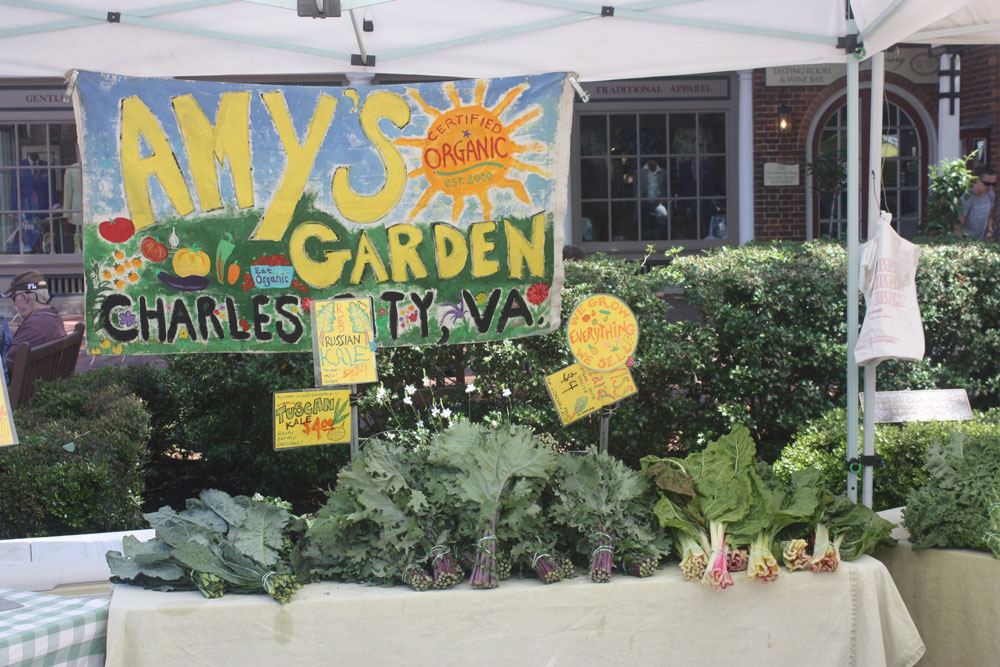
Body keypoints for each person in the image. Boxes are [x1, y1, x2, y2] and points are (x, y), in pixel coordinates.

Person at [2, 270, 65, 382]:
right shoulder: (51, 318)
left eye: (13, 298)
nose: (14, 304)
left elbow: (9, 366)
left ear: (24, 297)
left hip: (21, 394)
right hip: (42, 382)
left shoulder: (33, 328)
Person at [956, 166, 997, 238]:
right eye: (987, 184)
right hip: (967, 242)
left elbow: (990, 216)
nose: (990, 188)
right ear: (977, 180)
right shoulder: (967, 198)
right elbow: (957, 227)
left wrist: (990, 231)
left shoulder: (990, 194)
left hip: (981, 242)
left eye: (993, 184)